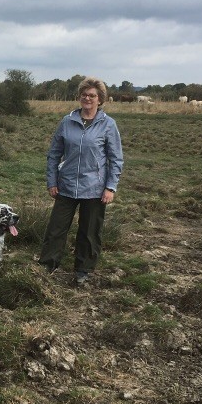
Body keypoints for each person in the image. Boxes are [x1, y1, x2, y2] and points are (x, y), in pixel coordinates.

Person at [38, 77, 123, 287]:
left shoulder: (108, 125)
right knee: (56, 229)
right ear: (79, 97)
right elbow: (54, 154)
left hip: (94, 188)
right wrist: (52, 181)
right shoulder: (67, 122)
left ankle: (83, 271)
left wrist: (110, 187)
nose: (87, 98)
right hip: (66, 185)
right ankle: (47, 266)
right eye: (84, 94)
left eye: (92, 95)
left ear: (100, 99)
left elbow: (116, 158)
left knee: (89, 232)